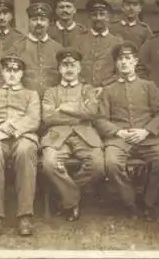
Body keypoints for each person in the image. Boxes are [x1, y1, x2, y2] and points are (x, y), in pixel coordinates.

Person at [95, 42, 159, 221]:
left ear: (135, 61)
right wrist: (117, 132)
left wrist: (146, 131)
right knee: (112, 163)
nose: (124, 62)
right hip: (119, 139)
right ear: (115, 63)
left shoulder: (148, 86)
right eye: (120, 59)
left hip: (147, 138)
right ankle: (130, 202)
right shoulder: (108, 90)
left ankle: (148, 202)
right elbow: (100, 119)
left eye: (128, 58)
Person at [0, 55, 41, 237]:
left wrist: (9, 130)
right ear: (3, 72)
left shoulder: (31, 95)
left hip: (22, 136)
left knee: (26, 150)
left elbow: (33, 120)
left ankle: (24, 216)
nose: (12, 74)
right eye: (8, 70)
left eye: (16, 70)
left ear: (21, 73)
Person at [41, 49, 105, 222]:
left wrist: (63, 107)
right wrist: (79, 110)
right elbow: (48, 118)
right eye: (65, 65)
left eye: (73, 65)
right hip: (57, 135)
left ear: (79, 68)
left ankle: (65, 195)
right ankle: (73, 200)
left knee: (98, 165)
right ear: (59, 69)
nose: (69, 69)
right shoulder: (50, 92)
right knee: (49, 164)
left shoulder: (88, 89)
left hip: (85, 134)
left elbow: (92, 112)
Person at [7, 2, 63, 97]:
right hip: (24, 100)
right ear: (28, 22)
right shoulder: (17, 47)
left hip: (52, 101)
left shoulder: (58, 48)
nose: (39, 23)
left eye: (43, 19)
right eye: (34, 19)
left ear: (49, 23)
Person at [73, 0, 124, 88]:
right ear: (89, 17)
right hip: (81, 89)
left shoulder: (117, 42)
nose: (98, 18)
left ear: (108, 17)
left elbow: (120, 71)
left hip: (108, 90)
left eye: (102, 14)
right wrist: (83, 84)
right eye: (94, 15)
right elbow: (72, 66)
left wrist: (104, 86)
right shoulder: (79, 40)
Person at [110, 0, 152, 75]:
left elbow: (146, 57)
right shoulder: (112, 27)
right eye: (128, 4)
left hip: (135, 74)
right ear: (122, 7)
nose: (131, 8)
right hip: (113, 74)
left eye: (135, 4)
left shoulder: (144, 30)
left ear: (140, 8)